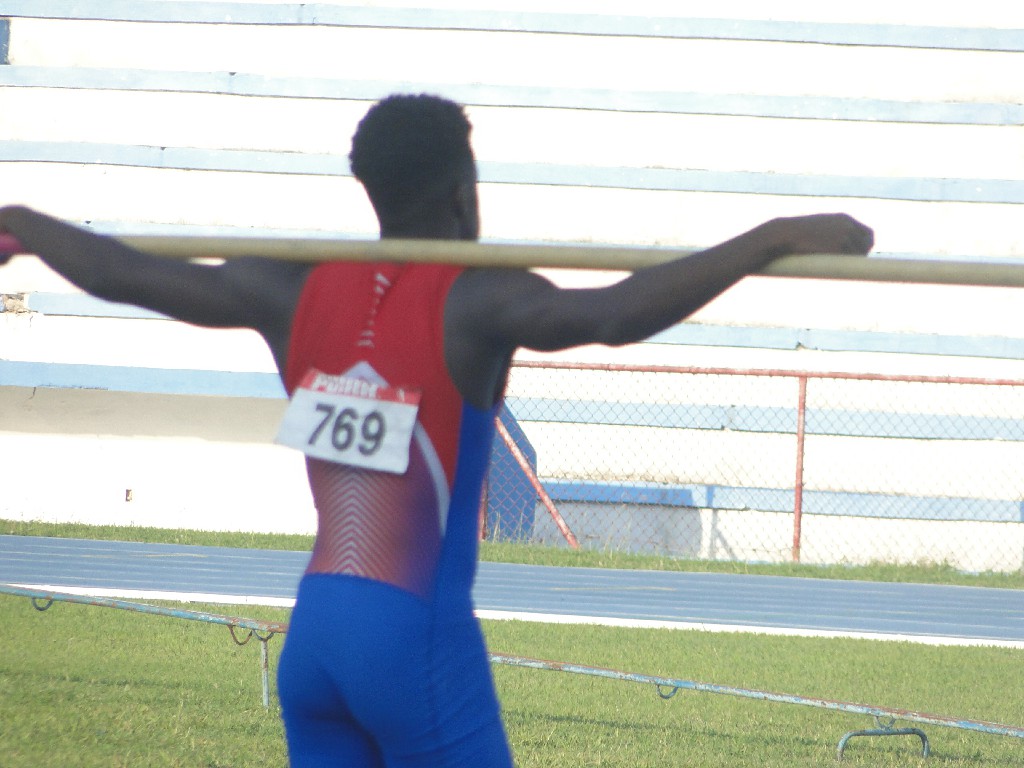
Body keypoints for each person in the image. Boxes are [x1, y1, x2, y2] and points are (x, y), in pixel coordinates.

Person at [0, 93, 874, 766]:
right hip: (413, 640)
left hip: (315, 637)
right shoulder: (479, 300)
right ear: (464, 192)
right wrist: (768, 238)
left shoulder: (285, 287)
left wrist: (26, 226)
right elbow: (612, 314)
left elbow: (127, 274)